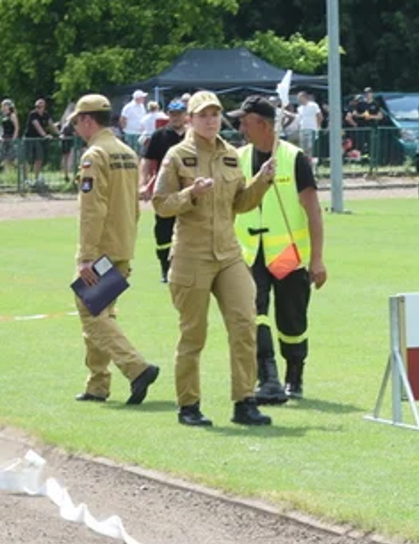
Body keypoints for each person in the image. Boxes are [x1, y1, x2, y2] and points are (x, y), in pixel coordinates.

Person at [151, 90, 278, 428]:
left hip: (228, 253)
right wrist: (190, 194)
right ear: (190, 119)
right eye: (203, 114)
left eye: (215, 114)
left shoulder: (233, 156)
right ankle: (188, 405)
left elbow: (241, 203)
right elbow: (161, 204)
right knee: (193, 334)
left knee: (244, 324)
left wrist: (262, 181)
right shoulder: (177, 155)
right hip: (191, 254)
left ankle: (244, 401)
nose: (210, 120)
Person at [230, 96, 330, 404]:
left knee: (292, 320)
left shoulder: (293, 158)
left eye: (245, 122)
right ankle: (267, 374)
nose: (241, 128)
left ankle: (294, 374)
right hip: (250, 254)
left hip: (287, 254)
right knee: (254, 312)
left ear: (262, 123)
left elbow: (313, 210)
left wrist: (317, 259)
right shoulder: (238, 158)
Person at [67, 94, 162, 407]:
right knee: (102, 312)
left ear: (87, 120)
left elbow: (92, 210)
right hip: (122, 245)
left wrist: (86, 256)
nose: (76, 127)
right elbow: (133, 206)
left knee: (91, 313)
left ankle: (136, 368)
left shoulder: (94, 156)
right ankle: (97, 384)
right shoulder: (126, 152)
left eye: (77, 121)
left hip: (102, 249)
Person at [140, 98, 189, 283]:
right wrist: (143, 183)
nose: (176, 118)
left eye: (180, 114)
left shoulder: (193, 136)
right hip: (165, 191)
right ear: (168, 115)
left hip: (190, 190)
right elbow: (146, 160)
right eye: (173, 114)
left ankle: (186, 268)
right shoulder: (159, 136)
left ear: (186, 115)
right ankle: (165, 268)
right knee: (163, 232)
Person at [293, 91, 323, 158]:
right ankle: (305, 161)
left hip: (312, 129)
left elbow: (319, 116)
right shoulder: (299, 108)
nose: (298, 100)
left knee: (311, 147)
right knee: (303, 147)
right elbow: (299, 119)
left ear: (304, 97)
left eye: (300, 98)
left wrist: (318, 127)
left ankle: (312, 161)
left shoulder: (313, 105)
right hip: (302, 129)